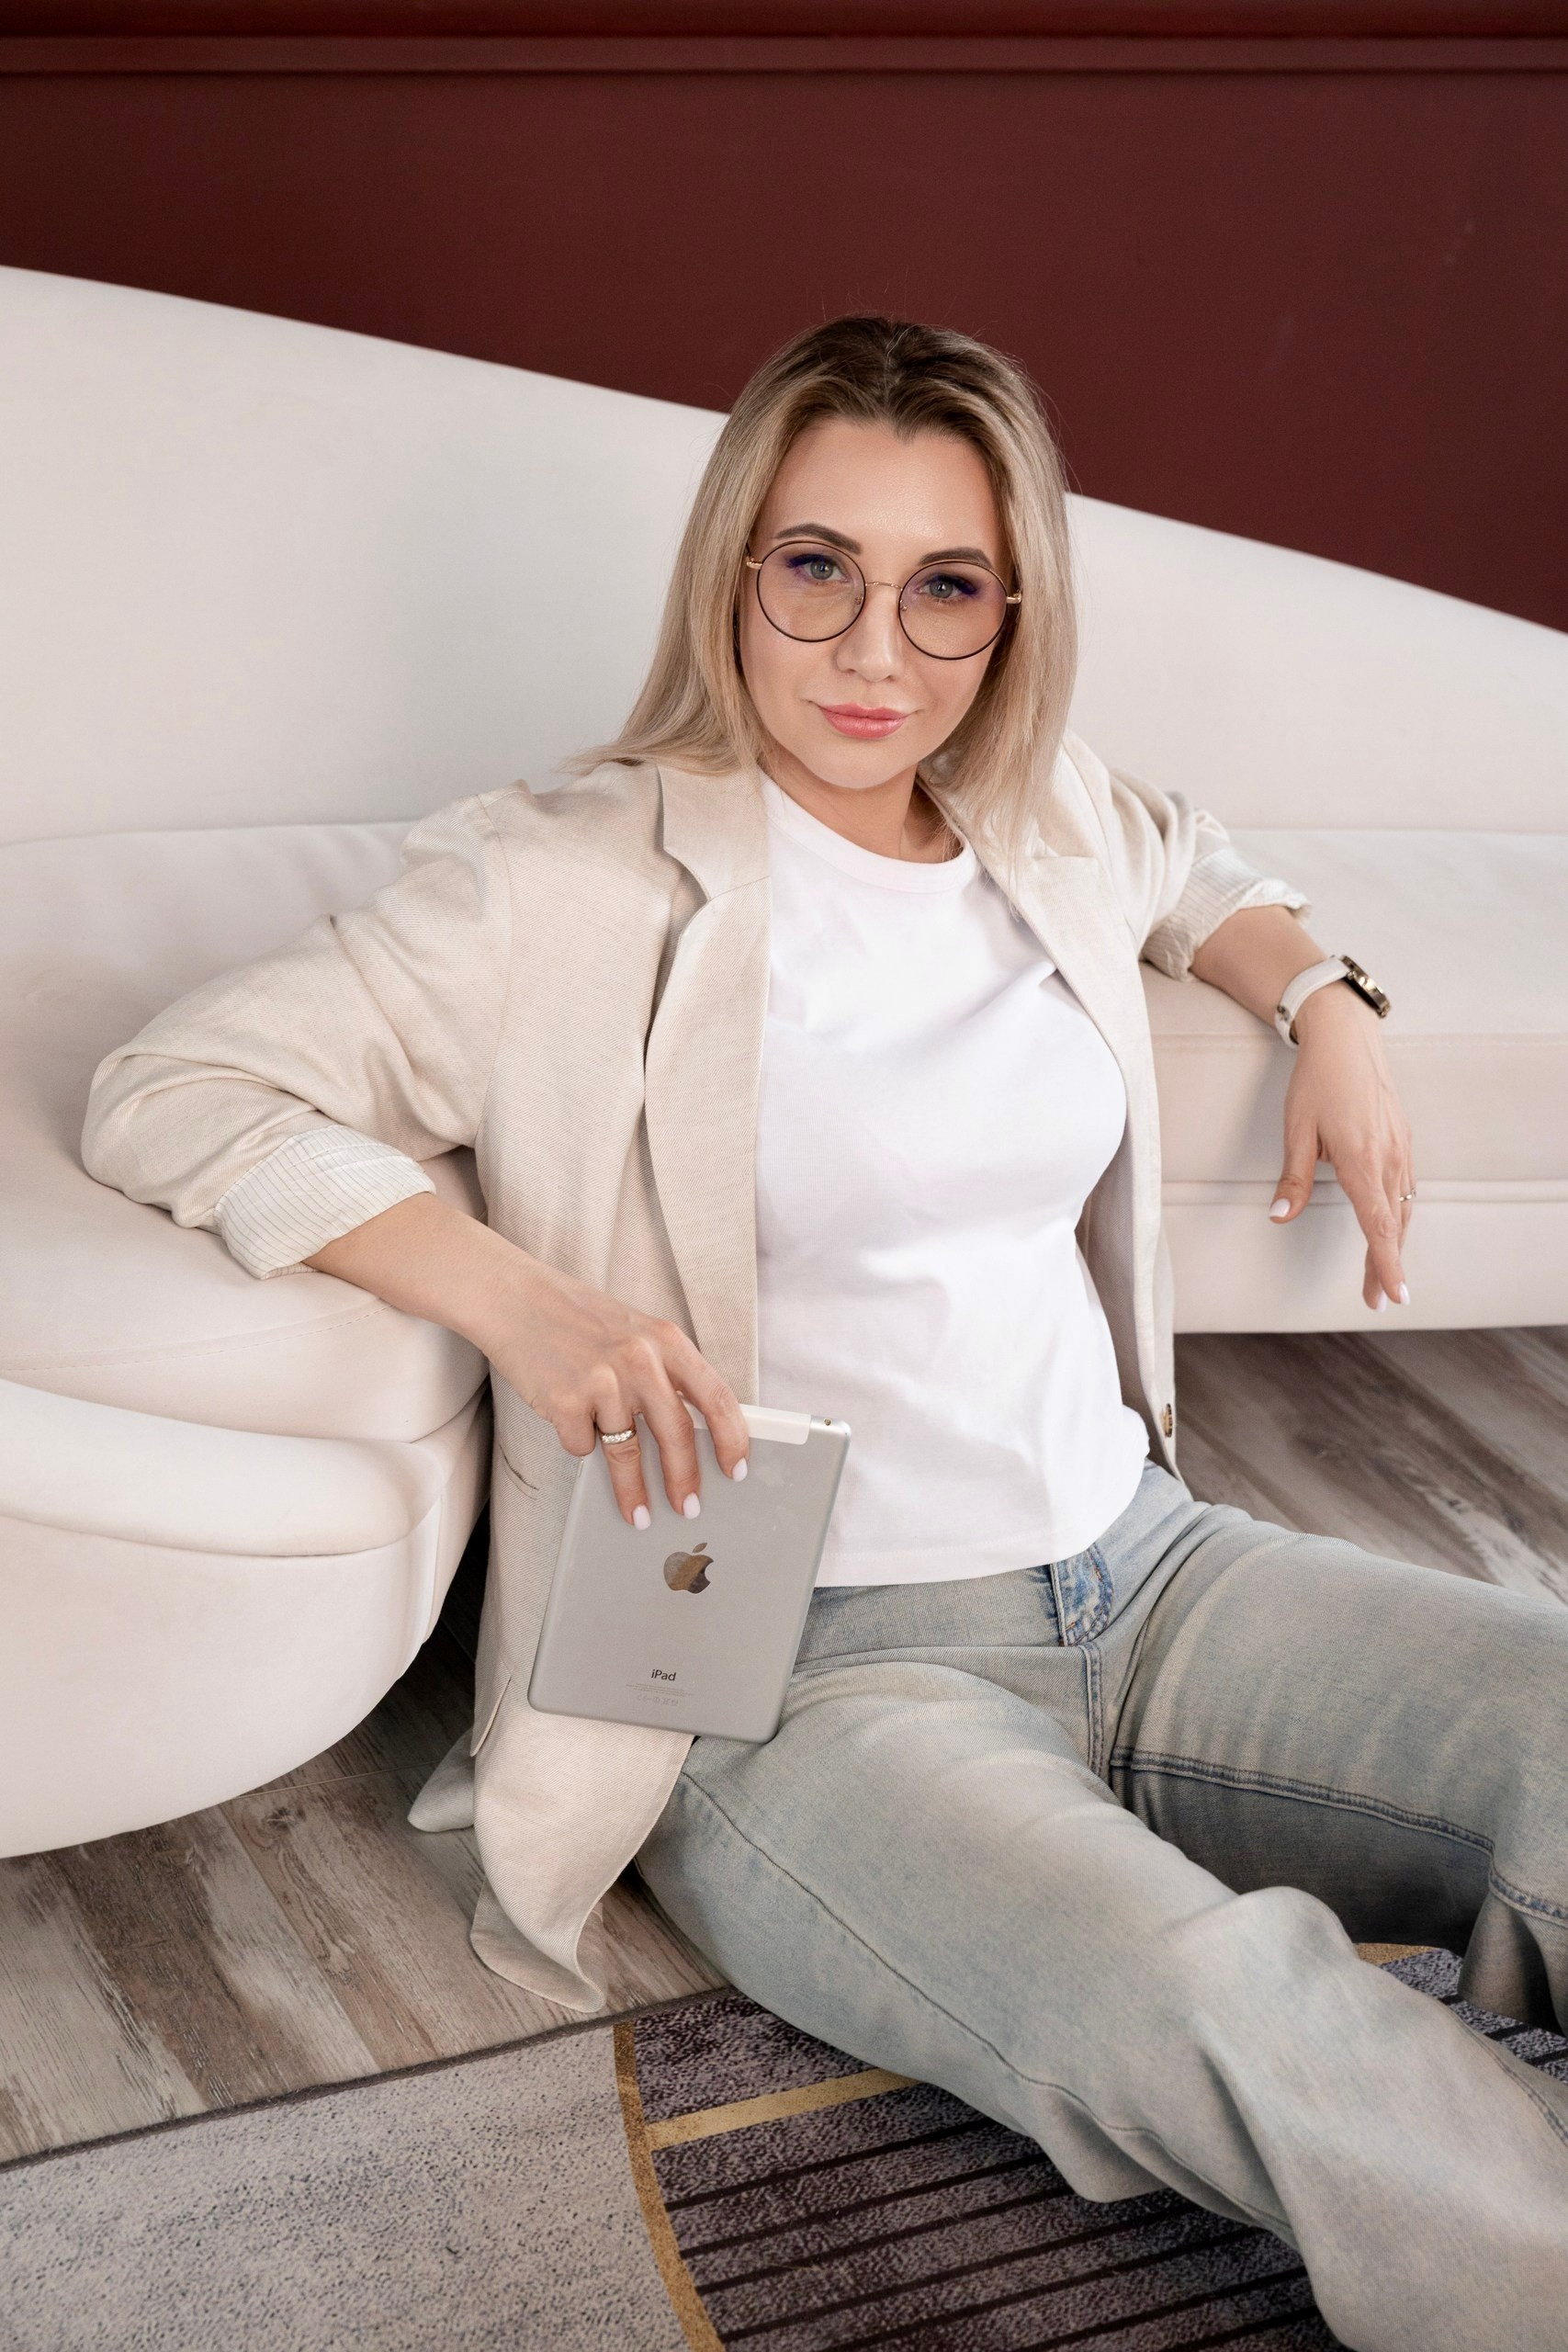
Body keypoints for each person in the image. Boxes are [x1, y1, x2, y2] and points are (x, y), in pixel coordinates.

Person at [82, 316, 1567, 2347]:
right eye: (817, 569)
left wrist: (1321, 1001)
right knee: (1224, 2005)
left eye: (945, 586)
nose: (875, 652)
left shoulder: (1041, 815)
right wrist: (527, 1299)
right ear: (734, 569)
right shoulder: (558, 880)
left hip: (1151, 1572)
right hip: (800, 1679)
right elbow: (178, 1084)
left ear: (1011, 611)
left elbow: (1186, 854)